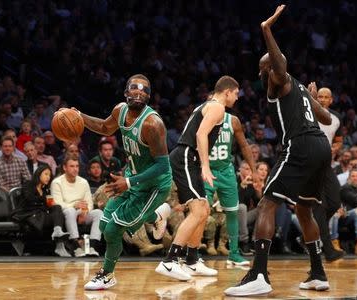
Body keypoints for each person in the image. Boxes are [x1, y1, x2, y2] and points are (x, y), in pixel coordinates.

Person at [225, 5, 333, 296]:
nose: (262, 74)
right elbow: (327, 119)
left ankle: (259, 274)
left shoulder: (279, 81)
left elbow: (279, 65)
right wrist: (312, 99)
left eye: (264, 68)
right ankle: (318, 273)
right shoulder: (300, 89)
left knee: (267, 204)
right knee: (304, 210)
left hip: (300, 145)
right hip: (321, 147)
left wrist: (266, 29)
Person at [80, 74, 172, 290]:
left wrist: (129, 182)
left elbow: (163, 166)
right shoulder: (120, 111)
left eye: (144, 90)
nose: (139, 92)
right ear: (126, 92)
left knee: (112, 231)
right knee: (104, 223)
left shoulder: (152, 124)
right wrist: (79, 117)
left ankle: (107, 275)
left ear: (149, 97)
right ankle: (157, 216)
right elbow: (104, 128)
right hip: (133, 178)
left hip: (154, 185)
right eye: (134, 88)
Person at [155, 75, 239, 281]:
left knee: (203, 210)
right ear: (227, 92)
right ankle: (169, 261)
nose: (237, 98)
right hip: (186, 156)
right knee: (199, 210)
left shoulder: (209, 104)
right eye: (236, 94)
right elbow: (201, 135)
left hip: (186, 157)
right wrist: (205, 166)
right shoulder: (218, 107)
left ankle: (192, 260)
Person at [205, 111, 258, 266]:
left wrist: (254, 170)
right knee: (201, 211)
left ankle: (234, 253)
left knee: (233, 212)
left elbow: (244, 145)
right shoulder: (202, 118)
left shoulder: (232, 120)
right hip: (207, 170)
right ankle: (192, 254)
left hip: (226, 171)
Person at [312, 87, 345, 262]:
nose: (323, 99)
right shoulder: (308, 113)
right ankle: (329, 251)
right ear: (315, 98)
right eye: (320, 97)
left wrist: (334, 149)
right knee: (319, 206)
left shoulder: (336, 118)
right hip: (310, 164)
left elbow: (339, 140)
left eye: (326, 97)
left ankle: (307, 235)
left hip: (326, 164)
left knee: (334, 203)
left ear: (331, 100)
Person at [11, 164, 70, 257]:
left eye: (49, 175)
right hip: (28, 213)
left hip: (40, 214)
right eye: (46, 174)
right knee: (57, 218)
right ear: (39, 174)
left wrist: (51, 205)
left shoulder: (45, 190)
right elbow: (29, 199)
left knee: (57, 208)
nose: (48, 177)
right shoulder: (28, 184)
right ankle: (59, 247)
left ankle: (58, 232)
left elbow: (44, 206)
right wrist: (44, 200)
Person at [51, 156, 103, 257]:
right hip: (65, 212)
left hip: (82, 211)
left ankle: (91, 246)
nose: (75, 169)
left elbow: (89, 203)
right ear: (65, 168)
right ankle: (76, 247)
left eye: (77, 166)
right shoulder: (57, 182)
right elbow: (58, 204)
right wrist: (74, 206)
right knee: (70, 211)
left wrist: (84, 212)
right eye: (72, 166)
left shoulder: (83, 182)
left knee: (99, 213)